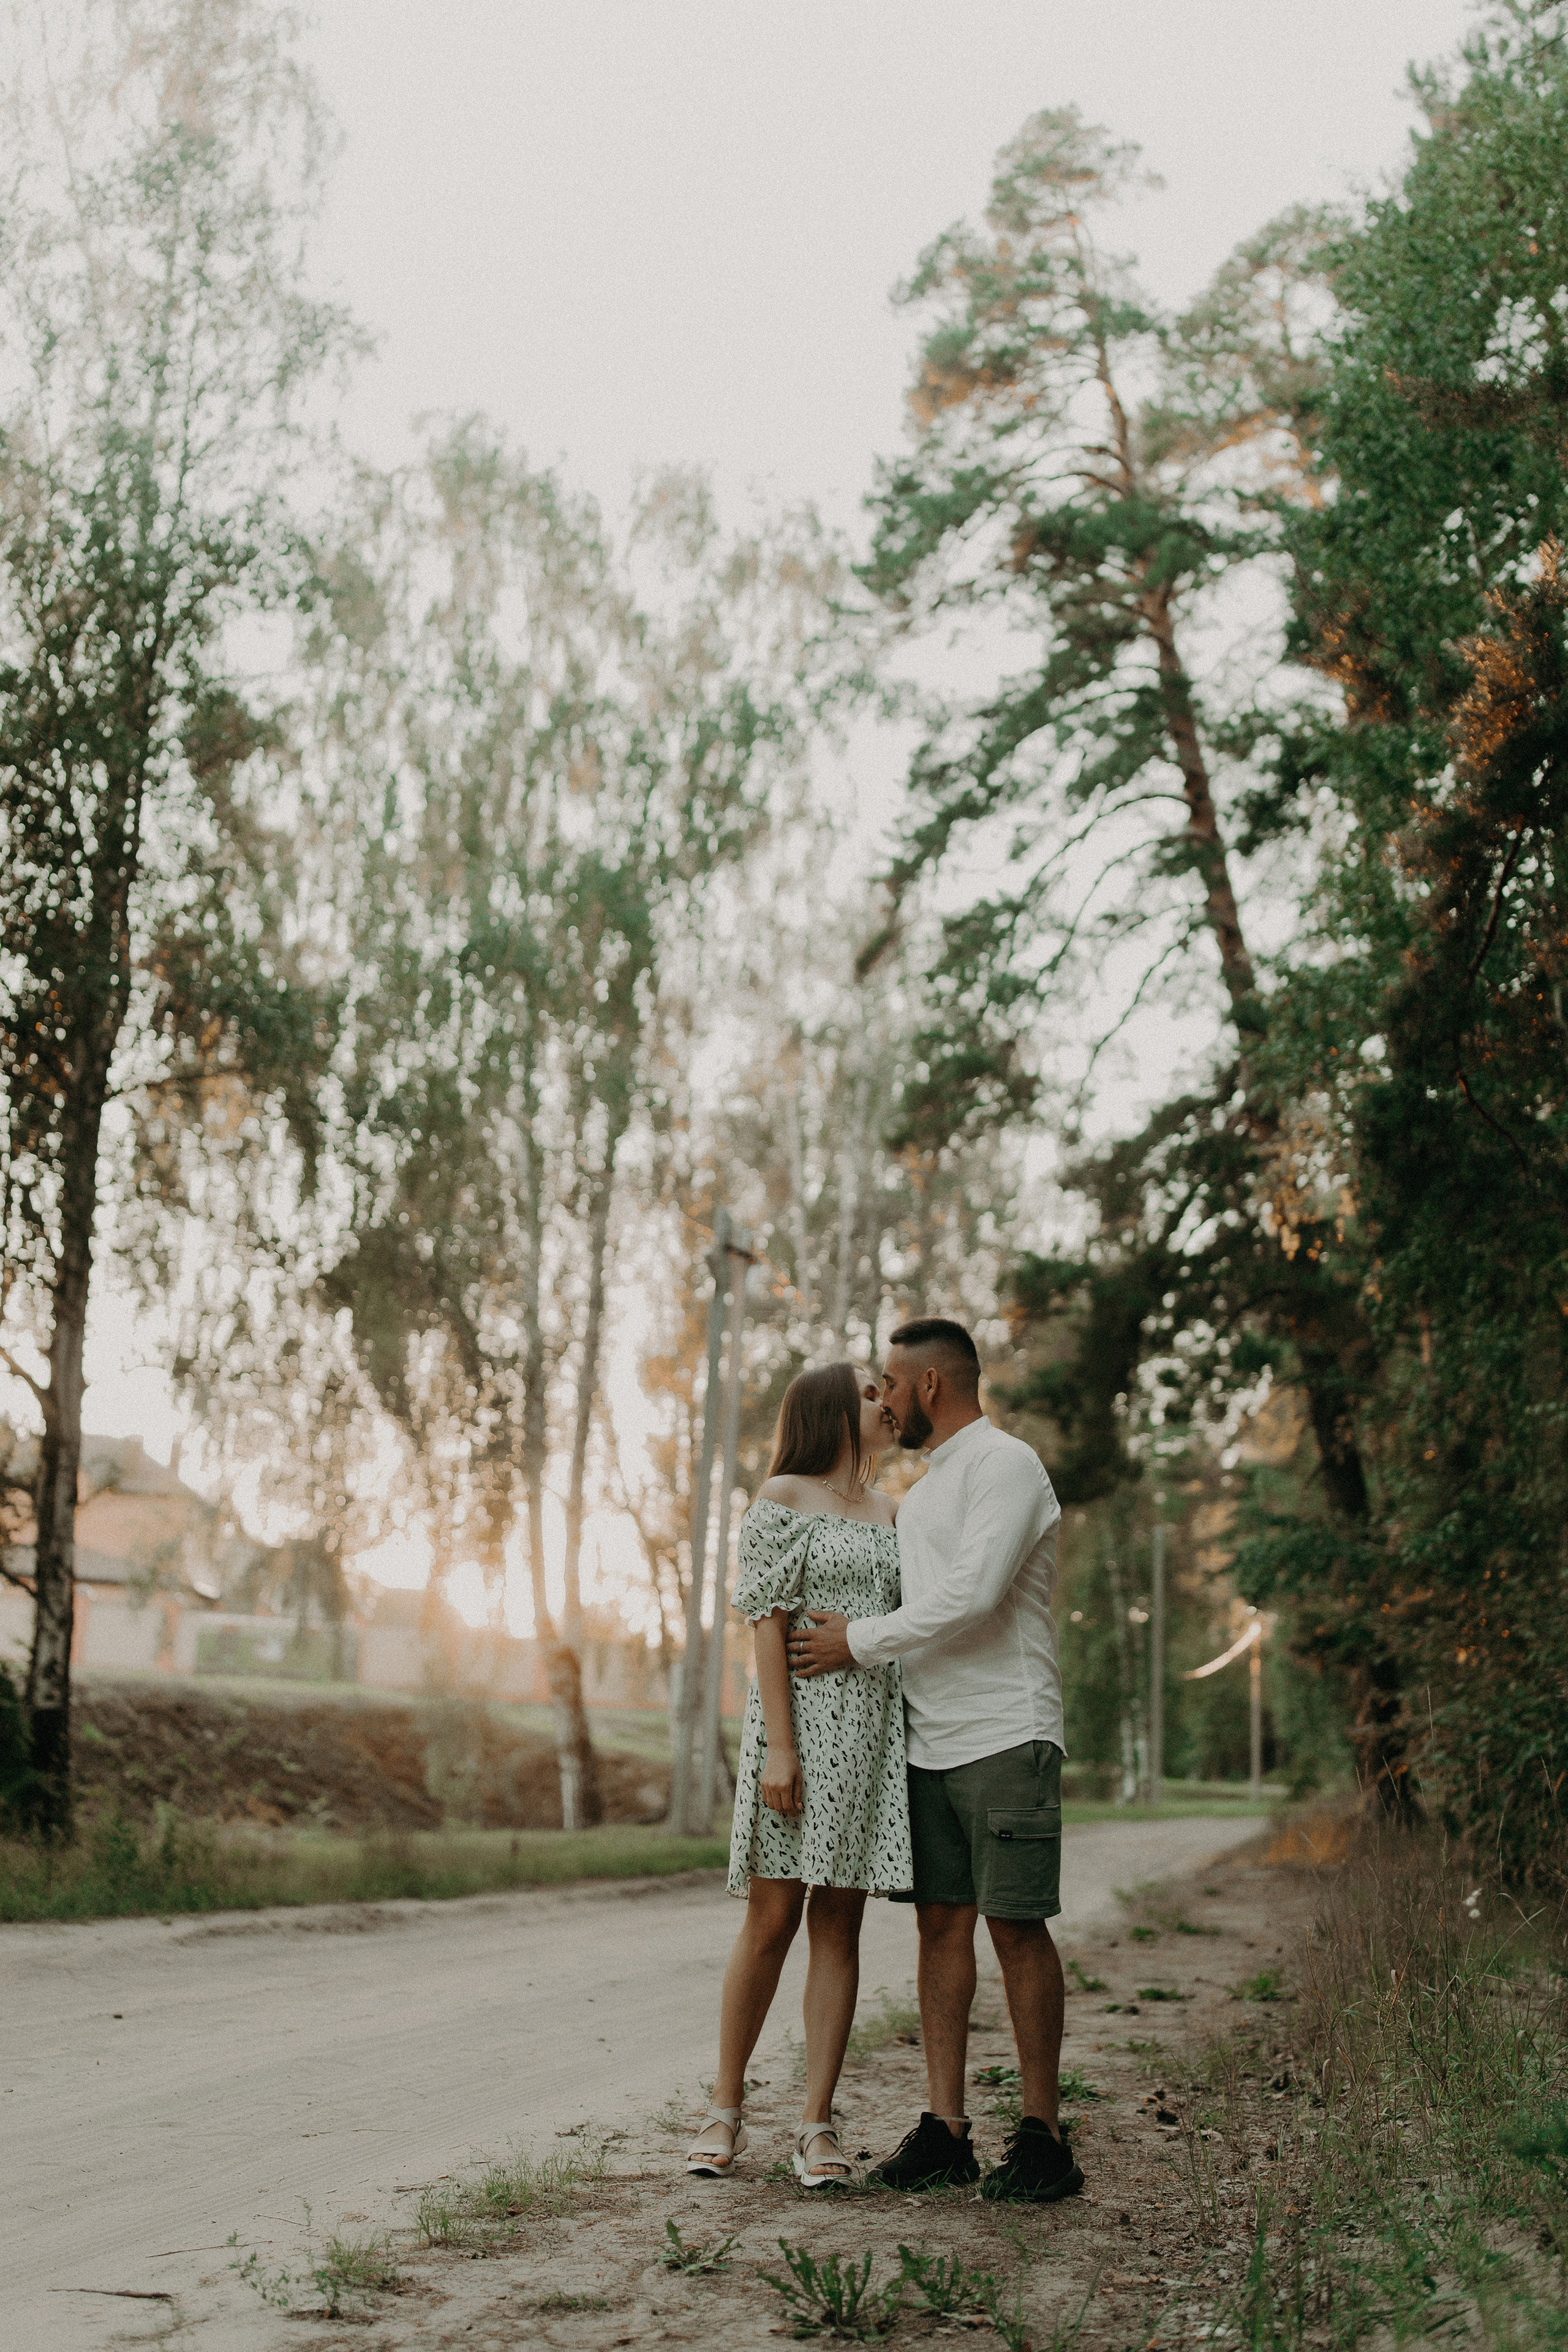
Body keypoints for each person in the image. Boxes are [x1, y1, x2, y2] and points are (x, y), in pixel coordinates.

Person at [788, 1316, 1082, 2206]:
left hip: (1006, 1731)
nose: (882, 1398)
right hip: (929, 1741)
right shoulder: (919, 1496)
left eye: (889, 1382)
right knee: (939, 1928)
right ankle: (946, 2130)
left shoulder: (1007, 1466)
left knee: (1016, 1925)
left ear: (929, 1385)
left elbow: (974, 1594)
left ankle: (1043, 2138)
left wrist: (856, 1641)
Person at [685, 1361, 911, 2188]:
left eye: (887, 1390)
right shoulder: (783, 1497)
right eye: (870, 1392)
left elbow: (910, 1621)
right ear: (830, 1410)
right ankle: (724, 2108)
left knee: (840, 1926)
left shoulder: (897, 1511)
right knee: (772, 1917)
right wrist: (781, 1749)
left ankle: (817, 2125)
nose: (886, 1402)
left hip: (870, 1738)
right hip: (797, 1733)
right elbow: (766, 1626)